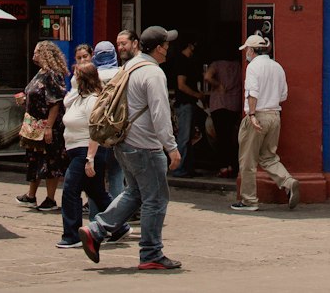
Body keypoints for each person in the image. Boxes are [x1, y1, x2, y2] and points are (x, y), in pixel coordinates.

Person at [78, 25, 182, 273]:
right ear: (158, 48)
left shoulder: (130, 67)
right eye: (167, 44)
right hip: (146, 146)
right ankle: (151, 253)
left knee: (135, 193)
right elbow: (160, 113)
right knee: (155, 200)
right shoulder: (153, 74)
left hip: (124, 143)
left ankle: (96, 230)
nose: (168, 49)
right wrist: (172, 147)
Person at [56, 61, 132, 250]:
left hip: (86, 152)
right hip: (75, 150)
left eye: (76, 75)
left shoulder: (92, 100)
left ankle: (71, 234)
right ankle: (119, 227)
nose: (73, 78)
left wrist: (90, 158)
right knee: (97, 192)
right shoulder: (78, 97)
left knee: (70, 191)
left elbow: (95, 131)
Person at [232, 31, 300, 212]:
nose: (246, 52)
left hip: (258, 115)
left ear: (252, 50)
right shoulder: (277, 67)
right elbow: (283, 95)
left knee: (247, 160)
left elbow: (252, 93)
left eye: (247, 49)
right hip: (274, 116)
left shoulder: (253, 67)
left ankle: (249, 200)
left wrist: (252, 115)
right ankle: (288, 181)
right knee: (269, 157)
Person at [15, 39, 67, 212]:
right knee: (34, 160)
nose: (34, 54)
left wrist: (49, 127)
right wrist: (24, 99)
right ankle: (31, 195)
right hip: (34, 126)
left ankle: (50, 199)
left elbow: (55, 103)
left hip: (48, 126)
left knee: (50, 161)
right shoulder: (41, 73)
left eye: (37, 51)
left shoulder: (53, 74)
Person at [93, 40, 124, 198]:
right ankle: (117, 210)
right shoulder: (122, 74)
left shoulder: (91, 76)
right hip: (117, 128)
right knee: (116, 170)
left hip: (96, 129)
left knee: (96, 172)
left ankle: (97, 209)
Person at [170, 38, 206, 178]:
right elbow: (181, 85)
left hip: (188, 103)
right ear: (189, 45)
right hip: (185, 104)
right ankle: (179, 169)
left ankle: (187, 168)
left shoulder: (185, 61)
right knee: (184, 138)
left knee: (188, 138)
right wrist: (197, 94)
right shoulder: (182, 61)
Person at [205, 46, 242, 178]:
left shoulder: (217, 64)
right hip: (235, 104)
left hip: (219, 104)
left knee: (222, 138)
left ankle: (224, 167)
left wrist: (218, 85)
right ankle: (234, 166)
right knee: (233, 138)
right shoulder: (239, 65)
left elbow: (207, 77)